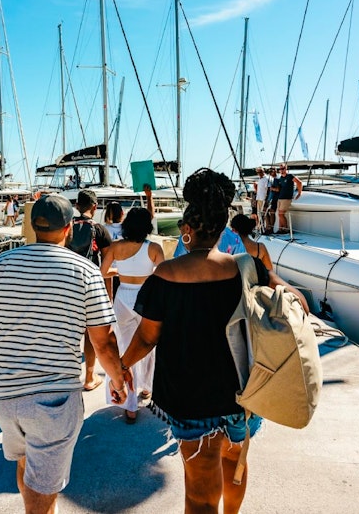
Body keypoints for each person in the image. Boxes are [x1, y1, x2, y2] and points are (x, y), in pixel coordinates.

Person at [0, 193, 129, 514]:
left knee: (26, 467)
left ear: (34, 226)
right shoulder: (85, 271)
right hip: (53, 403)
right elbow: (103, 342)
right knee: (41, 492)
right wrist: (117, 382)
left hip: (3, 398)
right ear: (69, 230)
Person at [121, 168, 261, 514]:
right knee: (234, 465)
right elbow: (295, 303)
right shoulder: (246, 268)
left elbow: (148, 337)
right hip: (242, 393)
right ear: (221, 227)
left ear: (186, 230)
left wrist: (120, 367)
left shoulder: (165, 276)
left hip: (189, 396)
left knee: (199, 495)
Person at [100, 206, 164, 423]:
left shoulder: (116, 247)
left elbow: (103, 273)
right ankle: (147, 388)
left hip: (123, 297)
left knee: (125, 349)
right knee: (147, 345)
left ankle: (130, 405)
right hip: (147, 298)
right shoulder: (154, 248)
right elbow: (163, 275)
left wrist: (121, 271)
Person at [71, 189, 113, 391]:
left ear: (77, 206)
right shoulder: (99, 229)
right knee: (90, 332)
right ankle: (89, 377)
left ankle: (67, 377)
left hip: (68, 285)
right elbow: (106, 263)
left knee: (69, 331)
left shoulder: (67, 227)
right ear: (94, 207)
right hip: (90, 286)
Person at [229, 214, 308, 313]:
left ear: (234, 230)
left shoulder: (230, 249)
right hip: (258, 291)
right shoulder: (260, 248)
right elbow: (269, 270)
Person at [273, 164, 303, 234]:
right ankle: (280, 229)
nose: (282, 170)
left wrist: (299, 193)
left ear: (286, 169)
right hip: (280, 198)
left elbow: (299, 182)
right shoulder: (280, 178)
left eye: (283, 168)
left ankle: (286, 229)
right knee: (279, 214)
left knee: (281, 214)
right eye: (280, 169)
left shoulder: (290, 176)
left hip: (286, 198)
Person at [252, 167, 271, 231]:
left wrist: (266, 199)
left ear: (263, 171)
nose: (259, 173)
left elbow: (268, 189)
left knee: (264, 213)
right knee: (259, 213)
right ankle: (260, 227)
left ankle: (267, 226)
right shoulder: (260, 179)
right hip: (259, 198)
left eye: (260, 172)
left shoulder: (266, 179)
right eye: (258, 172)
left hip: (263, 198)